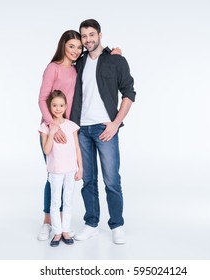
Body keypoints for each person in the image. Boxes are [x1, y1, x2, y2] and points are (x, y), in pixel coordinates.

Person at [37, 30, 122, 241]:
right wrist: (52, 127)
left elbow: (97, 55)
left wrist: (113, 52)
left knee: (67, 175)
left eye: (78, 47)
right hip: (51, 129)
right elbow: (42, 100)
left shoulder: (78, 67)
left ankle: (62, 225)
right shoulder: (53, 68)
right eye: (71, 46)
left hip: (69, 128)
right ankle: (48, 222)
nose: (75, 51)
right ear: (63, 46)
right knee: (53, 175)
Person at [70, 19, 136, 244]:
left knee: (111, 181)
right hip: (82, 130)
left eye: (91, 34)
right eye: (83, 36)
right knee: (88, 180)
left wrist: (115, 123)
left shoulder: (116, 60)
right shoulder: (78, 64)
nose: (87, 39)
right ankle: (91, 223)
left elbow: (129, 93)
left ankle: (117, 225)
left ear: (99, 34)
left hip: (106, 129)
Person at [39, 90, 83, 247]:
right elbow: (46, 150)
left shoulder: (71, 126)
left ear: (66, 107)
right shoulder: (45, 127)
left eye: (61, 105)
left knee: (68, 200)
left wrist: (80, 168)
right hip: (55, 170)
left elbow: (77, 148)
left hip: (70, 170)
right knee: (55, 200)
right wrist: (51, 132)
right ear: (50, 107)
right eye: (54, 105)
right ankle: (57, 232)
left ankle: (66, 230)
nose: (58, 108)